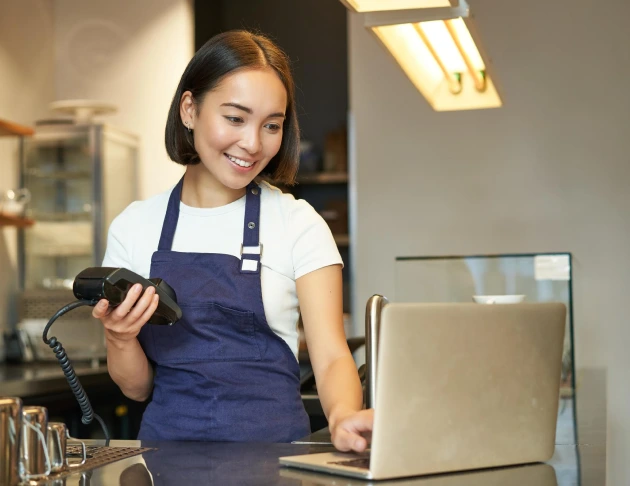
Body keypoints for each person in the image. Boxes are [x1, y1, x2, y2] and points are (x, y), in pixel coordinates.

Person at [93, 30, 373, 451]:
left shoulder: (297, 223)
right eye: (235, 118)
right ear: (190, 109)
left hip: (276, 464)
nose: (253, 143)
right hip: (165, 464)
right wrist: (119, 337)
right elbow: (136, 389)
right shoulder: (135, 227)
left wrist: (344, 417)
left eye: (271, 125)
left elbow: (332, 356)